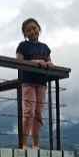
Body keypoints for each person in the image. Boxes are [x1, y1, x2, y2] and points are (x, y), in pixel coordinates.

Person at [16, 17, 53, 149]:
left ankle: (36, 144)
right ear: (25, 34)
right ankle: (24, 143)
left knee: (38, 113)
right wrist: (35, 62)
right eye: (28, 30)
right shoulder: (23, 46)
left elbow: (50, 62)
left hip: (42, 83)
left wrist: (48, 64)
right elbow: (18, 62)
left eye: (34, 28)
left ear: (39, 29)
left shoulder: (45, 48)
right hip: (28, 82)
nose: (32, 31)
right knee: (29, 111)